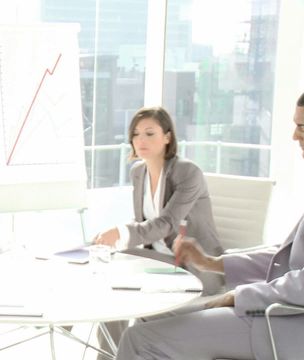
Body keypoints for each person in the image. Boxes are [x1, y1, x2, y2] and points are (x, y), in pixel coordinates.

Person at [115, 92, 304, 360]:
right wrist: (213, 262)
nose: (295, 136)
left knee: (138, 339)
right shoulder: (139, 173)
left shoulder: (186, 172)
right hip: (269, 306)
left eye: (301, 126)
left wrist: (241, 295)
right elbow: (281, 257)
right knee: (147, 321)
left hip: (284, 322)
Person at [92, 106, 224, 358]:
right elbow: (143, 220)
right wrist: (111, 238)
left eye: (150, 134)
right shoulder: (138, 172)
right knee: (107, 265)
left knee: (114, 264)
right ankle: (109, 354)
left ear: (167, 137)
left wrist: (120, 232)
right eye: (136, 134)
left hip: (192, 264)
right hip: (156, 260)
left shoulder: (188, 172)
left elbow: (166, 223)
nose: (141, 140)